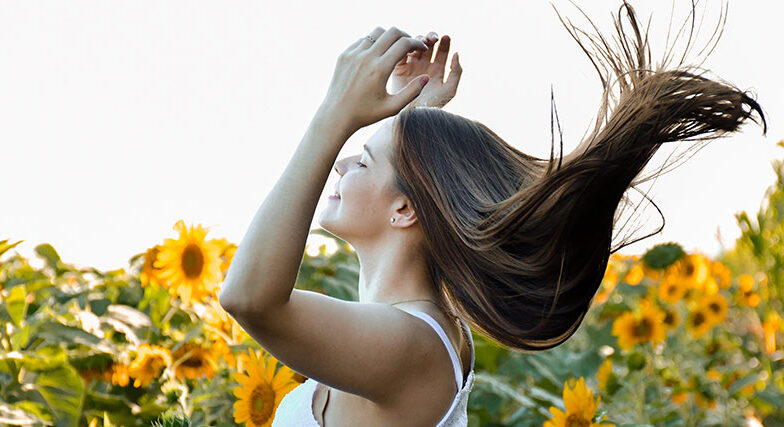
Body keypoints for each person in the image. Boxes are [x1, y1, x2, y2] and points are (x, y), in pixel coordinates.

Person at [219, 1, 767, 425]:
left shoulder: (414, 346)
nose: (339, 162)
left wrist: (334, 113)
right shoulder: (414, 334)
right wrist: (416, 121)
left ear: (406, 209)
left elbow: (249, 297)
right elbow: (412, 186)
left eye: (360, 158)